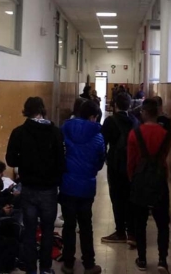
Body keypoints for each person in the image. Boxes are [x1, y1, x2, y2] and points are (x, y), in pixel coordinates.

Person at [6, 97, 65, 274]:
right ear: (42, 109)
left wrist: (25, 161)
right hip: (49, 189)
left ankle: (31, 269)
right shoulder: (55, 132)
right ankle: (45, 268)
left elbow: (11, 160)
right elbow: (61, 162)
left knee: (30, 231)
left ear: (26, 110)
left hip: (29, 188)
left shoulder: (19, 132)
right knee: (47, 230)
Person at [59, 100, 105, 274]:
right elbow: (100, 162)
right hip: (86, 187)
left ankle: (68, 263)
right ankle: (89, 264)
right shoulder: (98, 137)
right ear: (93, 117)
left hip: (67, 185)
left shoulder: (65, 129)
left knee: (69, 225)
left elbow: (59, 152)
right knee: (86, 226)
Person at [128, 99, 171, 274]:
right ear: (157, 113)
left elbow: (131, 161)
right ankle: (162, 260)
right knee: (163, 223)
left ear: (145, 113)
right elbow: (164, 158)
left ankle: (142, 259)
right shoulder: (166, 134)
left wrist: (133, 179)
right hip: (159, 180)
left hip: (140, 181)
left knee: (140, 223)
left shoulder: (135, 134)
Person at [100, 92, 139, 246]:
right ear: (130, 105)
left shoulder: (110, 121)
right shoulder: (135, 121)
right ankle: (132, 233)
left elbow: (102, 143)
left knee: (117, 198)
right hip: (132, 166)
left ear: (115, 105)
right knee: (130, 197)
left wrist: (104, 159)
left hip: (116, 165)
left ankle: (120, 231)